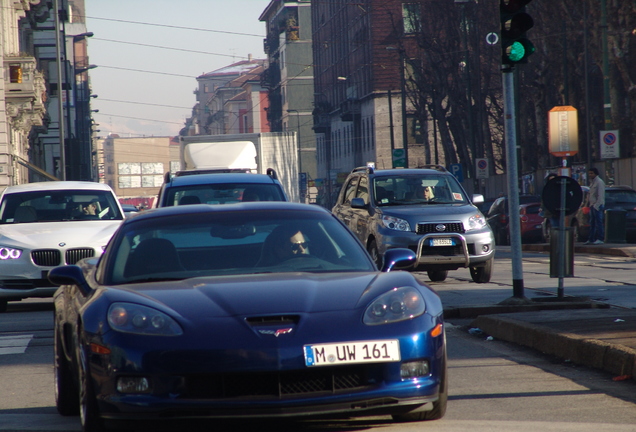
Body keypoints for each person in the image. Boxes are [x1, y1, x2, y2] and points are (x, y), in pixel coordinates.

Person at [585, 167, 606, 245]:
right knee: (592, 223)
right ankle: (591, 239)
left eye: (591, 173)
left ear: (596, 174)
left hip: (597, 205)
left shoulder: (599, 182)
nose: (590, 175)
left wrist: (597, 205)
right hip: (592, 205)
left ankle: (600, 238)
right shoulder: (592, 182)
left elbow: (600, 195)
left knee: (598, 222)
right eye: (589, 173)